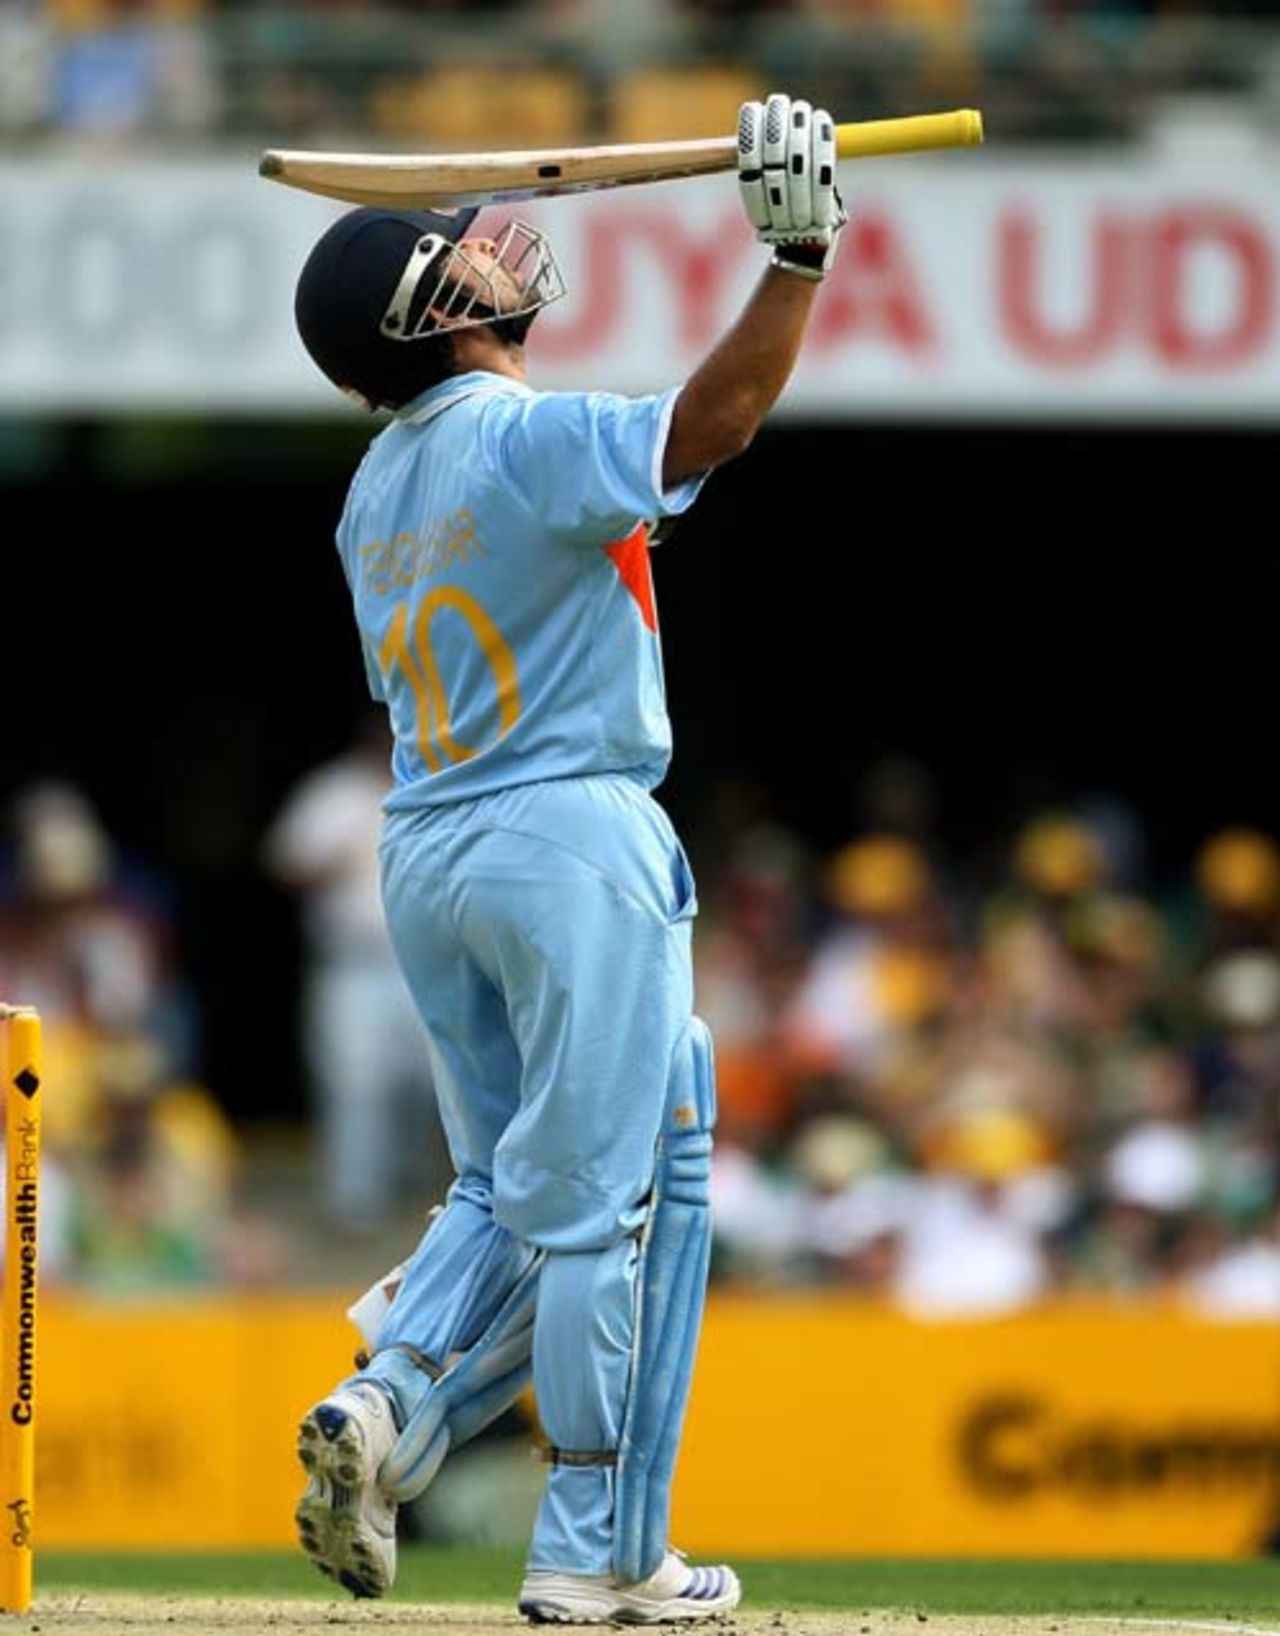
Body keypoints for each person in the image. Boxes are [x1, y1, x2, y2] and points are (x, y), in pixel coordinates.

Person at [286, 91, 847, 1623]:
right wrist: (795, 257)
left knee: (542, 1175)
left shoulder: (371, 490)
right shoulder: (522, 440)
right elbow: (707, 427)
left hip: (433, 845)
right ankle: (593, 1547)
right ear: (423, 313)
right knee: (607, 1204)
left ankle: (394, 1396)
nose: (488, 254)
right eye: (452, 259)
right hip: (566, 830)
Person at [263, 712, 450, 1236]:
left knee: (437, 1084)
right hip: (353, 964)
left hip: (431, 963)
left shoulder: (444, 784)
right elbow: (283, 863)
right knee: (355, 1083)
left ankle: (424, 1196)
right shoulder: (336, 792)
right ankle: (355, 1203)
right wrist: (330, 860)